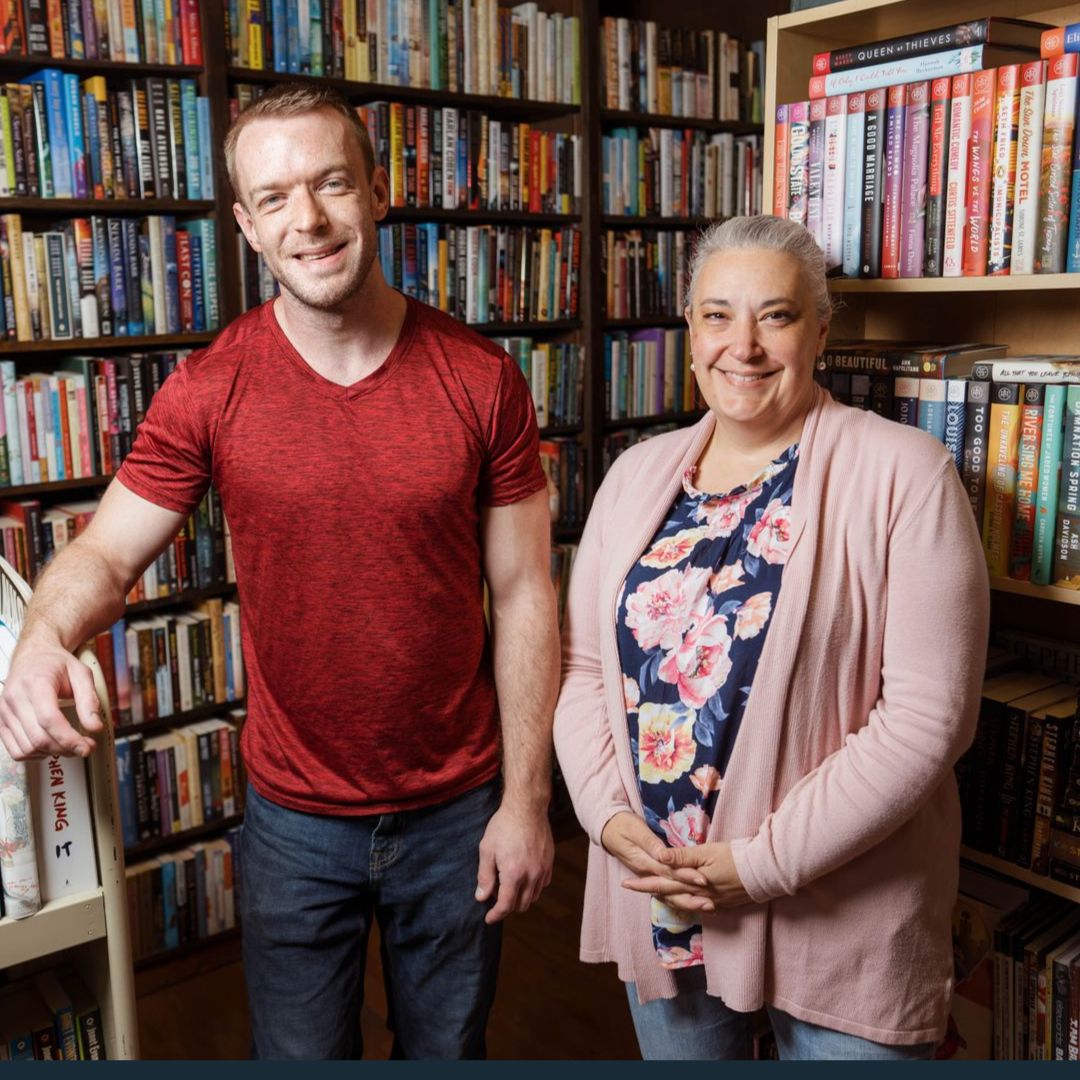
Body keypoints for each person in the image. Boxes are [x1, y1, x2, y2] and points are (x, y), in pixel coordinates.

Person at [0, 83, 560, 1060]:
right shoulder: (212, 388)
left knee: (449, 1053)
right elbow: (102, 553)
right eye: (275, 198)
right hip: (294, 822)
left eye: (332, 183)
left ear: (377, 192)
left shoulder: (481, 379)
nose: (308, 219)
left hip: (459, 812)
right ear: (247, 226)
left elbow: (523, 597)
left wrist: (526, 804)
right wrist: (45, 634)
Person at [553, 215, 989, 1060]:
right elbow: (578, 670)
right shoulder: (635, 474)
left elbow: (929, 720)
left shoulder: (908, 473)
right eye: (717, 315)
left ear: (821, 329)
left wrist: (759, 864)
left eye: (776, 316)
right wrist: (607, 818)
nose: (742, 345)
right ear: (690, 333)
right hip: (665, 903)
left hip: (841, 919)